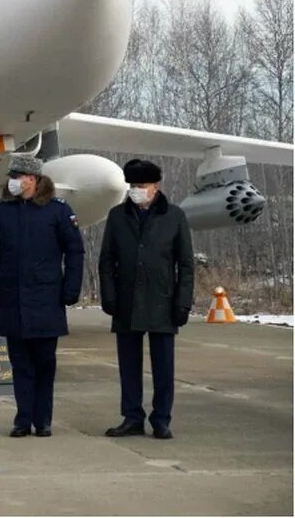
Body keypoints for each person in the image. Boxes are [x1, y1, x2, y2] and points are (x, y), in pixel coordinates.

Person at [0, 154, 84, 438]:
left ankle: (43, 419)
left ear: (33, 179)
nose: (12, 182)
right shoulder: (3, 212)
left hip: (46, 298)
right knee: (20, 364)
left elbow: (74, 252)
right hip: (12, 298)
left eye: (17, 177)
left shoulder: (58, 211)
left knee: (45, 363)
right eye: (11, 177)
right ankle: (23, 418)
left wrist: (71, 288)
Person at [99, 159, 194, 440]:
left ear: (155, 187)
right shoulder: (118, 216)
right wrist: (109, 296)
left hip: (162, 301)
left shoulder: (174, 216)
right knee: (128, 365)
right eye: (132, 186)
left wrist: (182, 302)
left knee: (163, 366)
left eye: (141, 186)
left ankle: (161, 418)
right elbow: (107, 261)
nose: (135, 191)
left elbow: (185, 264)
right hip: (127, 302)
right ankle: (132, 417)